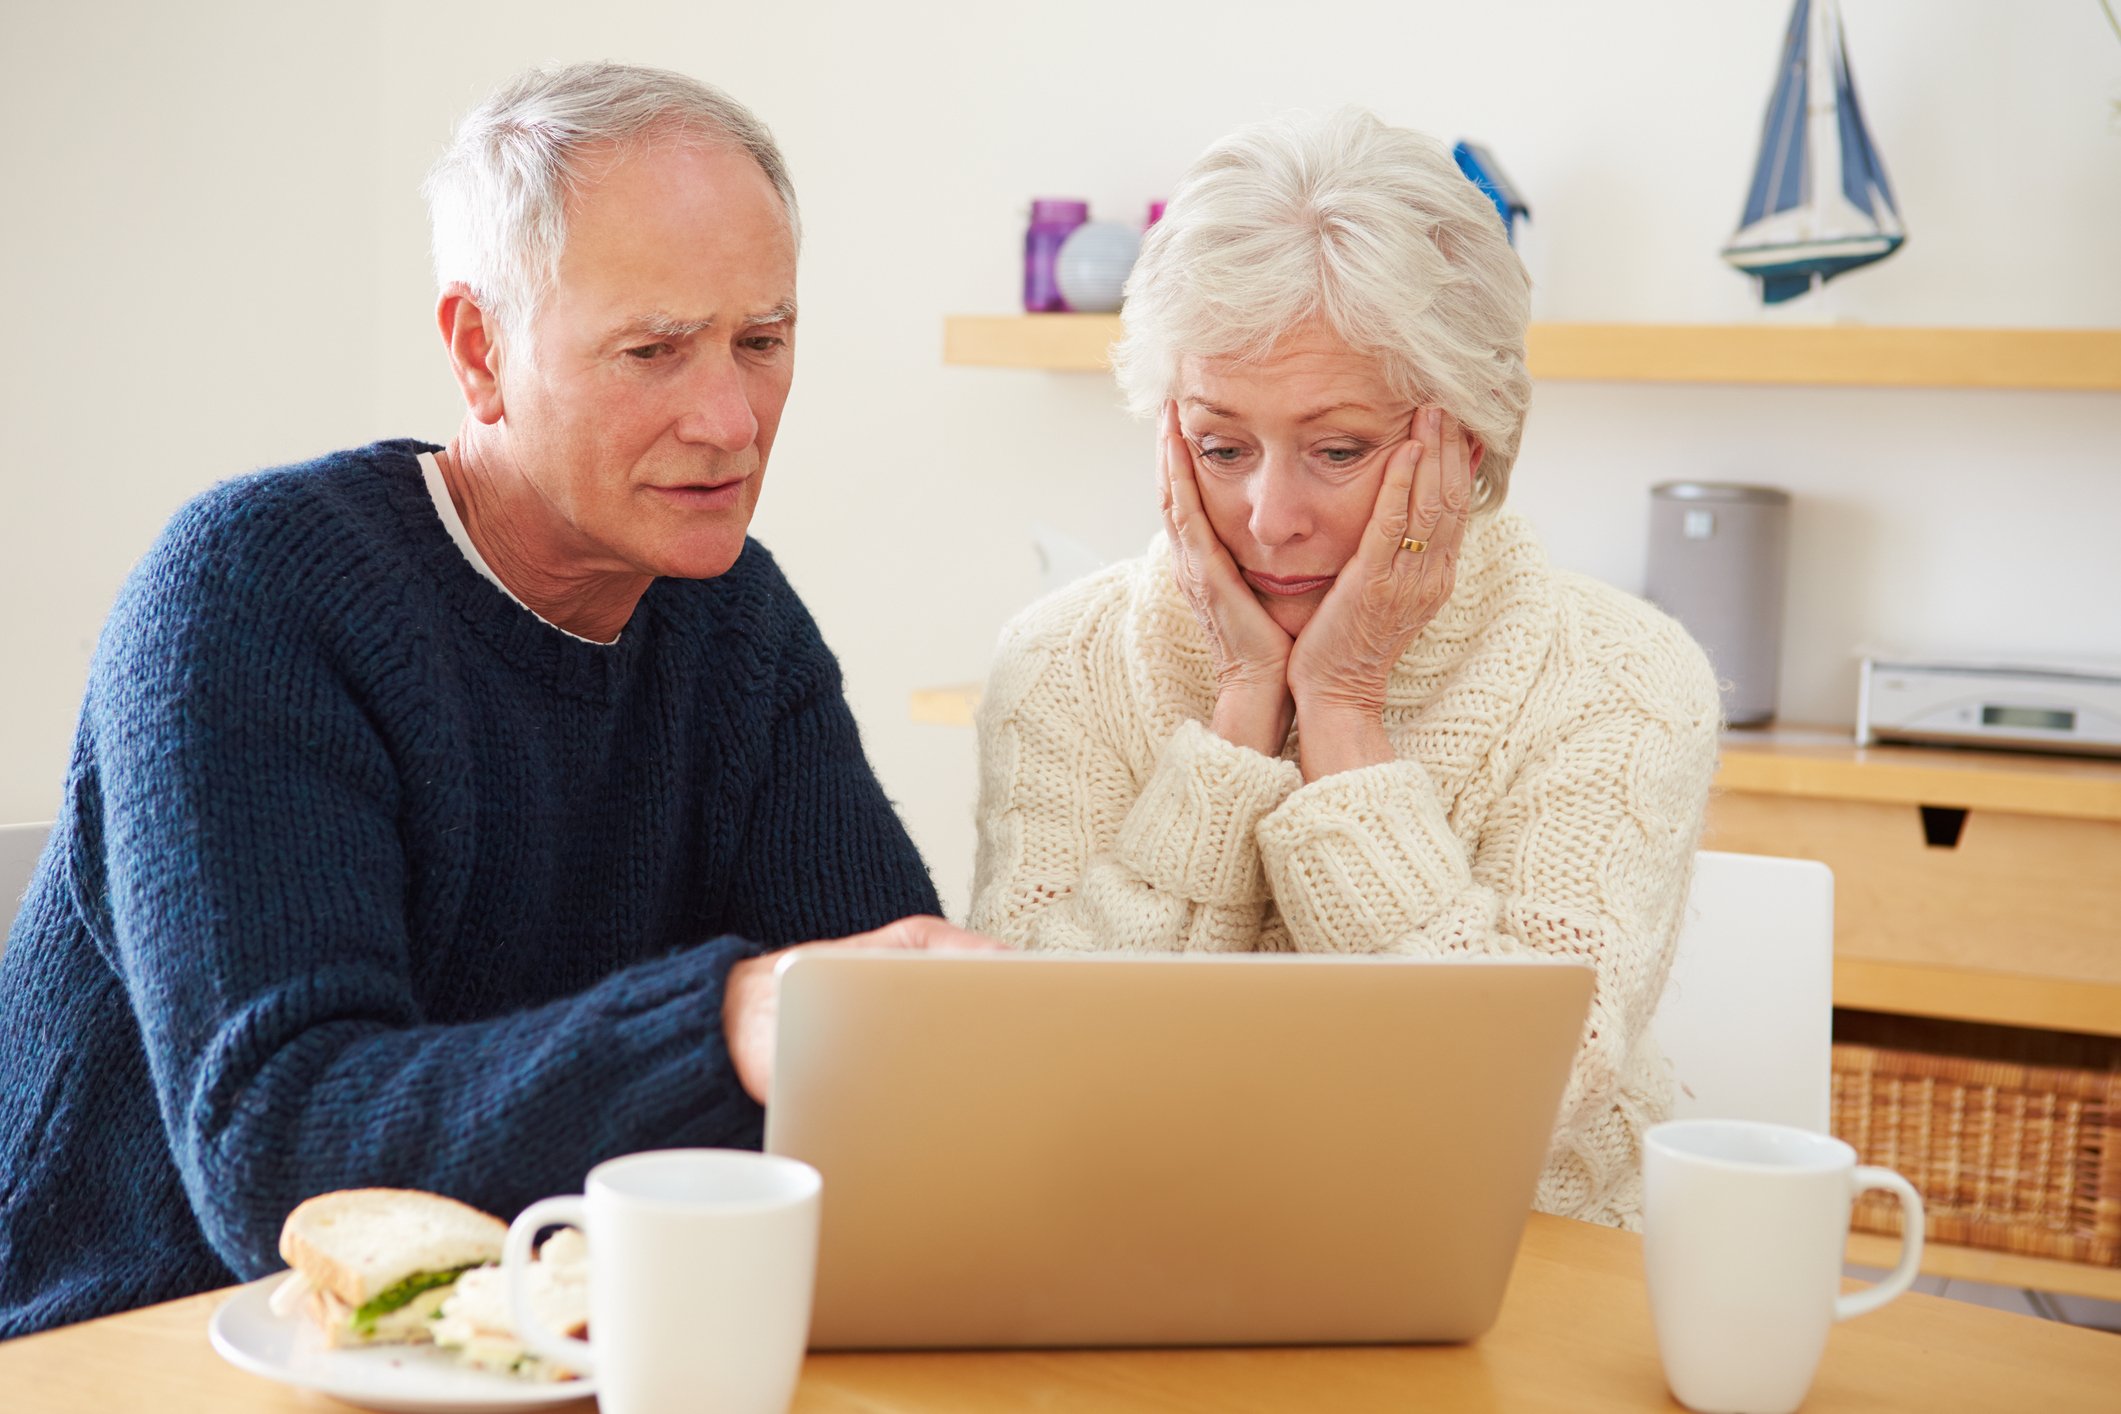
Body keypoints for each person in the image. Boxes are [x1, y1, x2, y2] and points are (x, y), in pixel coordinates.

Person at [0, 62, 993, 1338]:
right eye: (653, 350)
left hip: (514, 1339)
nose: (732, 417)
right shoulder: (249, 594)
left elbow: (887, 1060)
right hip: (136, 1345)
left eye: (763, 340)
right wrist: (731, 1020)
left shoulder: (736, 623)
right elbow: (284, 1157)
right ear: (481, 352)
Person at [968, 109, 1721, 1230]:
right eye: (1223, 448)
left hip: (1524, 1274)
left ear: (1465, 443)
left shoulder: (1622, 674)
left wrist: (1341, 707)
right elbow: (1034, 1066)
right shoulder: (1062, 659)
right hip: (1143, 1254)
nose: (1271, 518)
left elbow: (1508, 1099)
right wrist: (1237, 721)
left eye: (1337, 450)